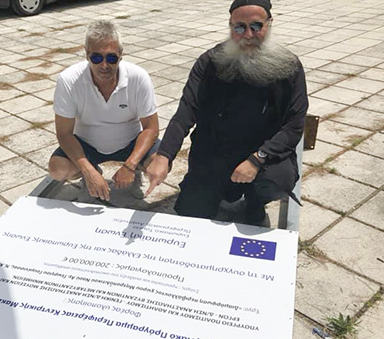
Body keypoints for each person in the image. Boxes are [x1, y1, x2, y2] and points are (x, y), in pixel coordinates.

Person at [145, 0, 308, 226]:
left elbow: (294, 125)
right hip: (215, 152)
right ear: (230, 26)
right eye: (239, 27)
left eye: (256, 26)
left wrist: (257, 158)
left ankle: (255, 202)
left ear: (269, 24)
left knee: (276, 181)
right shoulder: (209, 62)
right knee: (191, 211)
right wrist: (164, 155)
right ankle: (219, 191)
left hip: (264, 154)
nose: (248, 35)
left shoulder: (289, 67)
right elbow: (186, 111)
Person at [48, 20, 159, 202]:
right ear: (86, 54)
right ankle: (91, 173)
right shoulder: (68, 80)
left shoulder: (139, 77)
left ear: (121, 55)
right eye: (97, 58)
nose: (104, 65)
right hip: (86, 144)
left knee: (160, 164)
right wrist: (87, 170)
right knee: (57, 169)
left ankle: (134, 172)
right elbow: (64, 133)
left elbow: (151, 128)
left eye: (111, 58)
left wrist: (130, 165)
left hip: (130, 142)